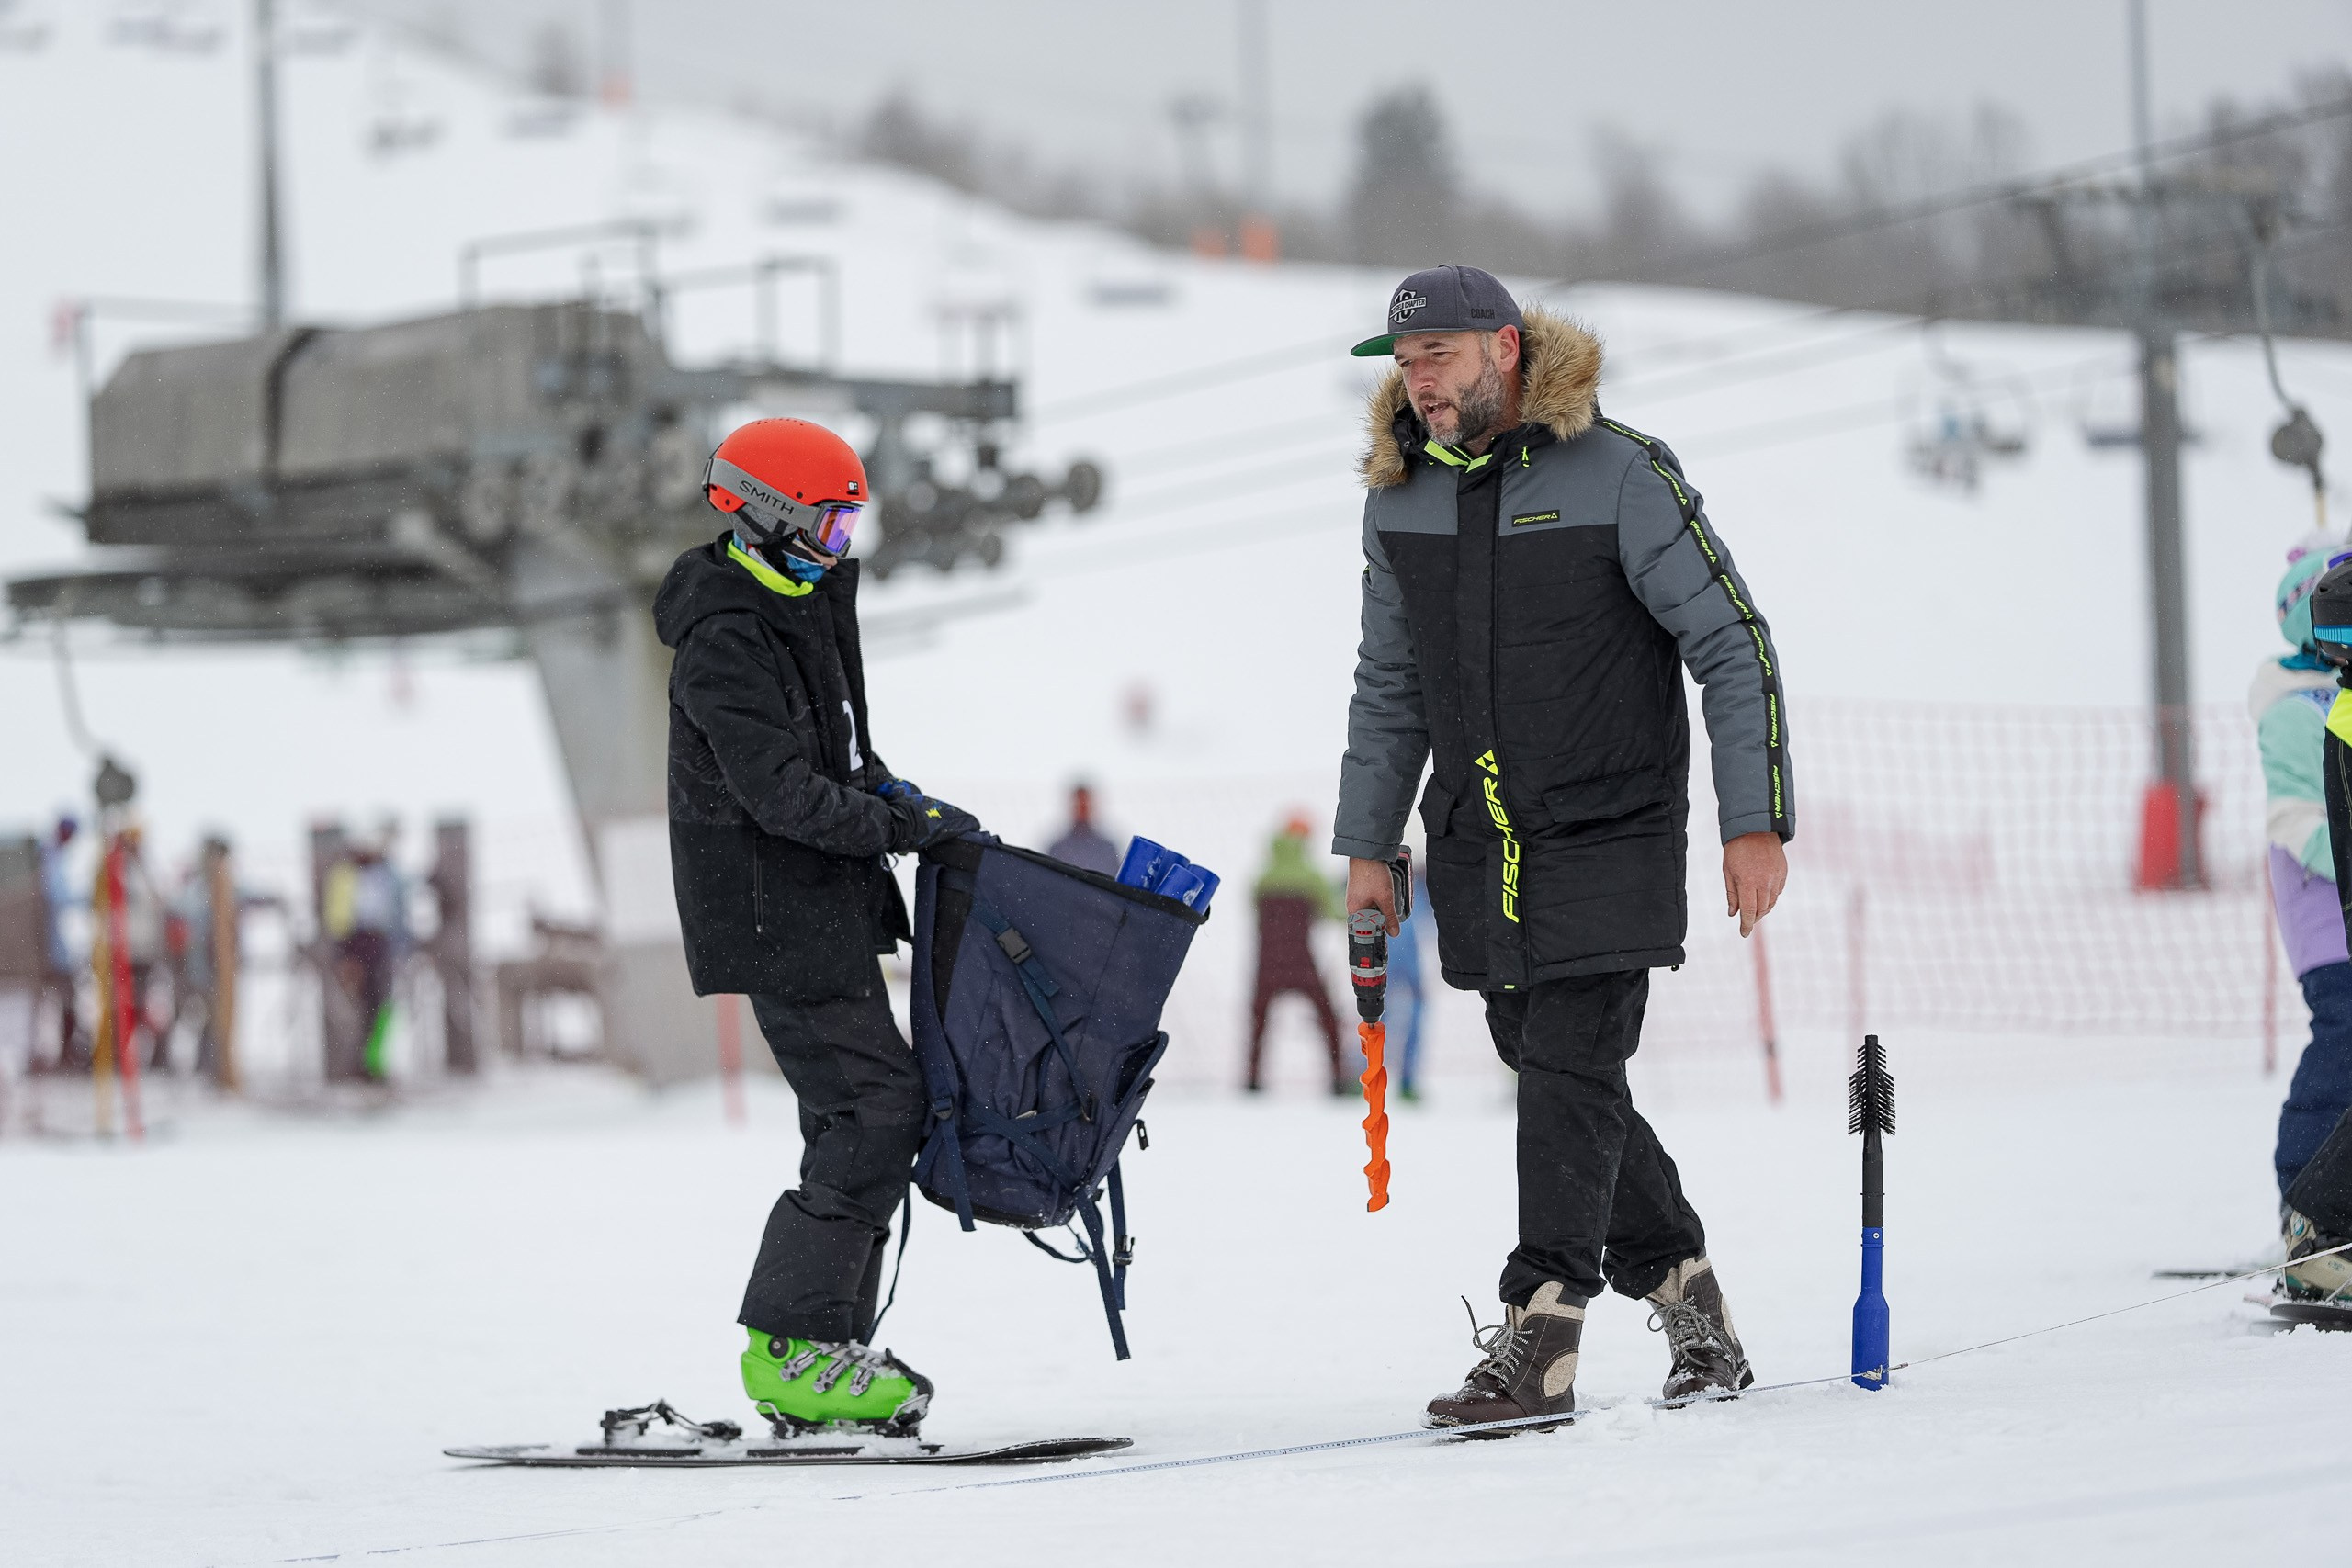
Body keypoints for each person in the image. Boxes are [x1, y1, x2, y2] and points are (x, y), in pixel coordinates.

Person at [1333, 265, 1793, 1429]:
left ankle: (1539, 1335)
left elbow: (1732, 643)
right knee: (1552, 1068)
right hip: (1479, 848)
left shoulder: (1621, 472)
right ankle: (1689, 1290)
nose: (1418, 380)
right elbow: (1389, 690)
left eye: (1438, 354)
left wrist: (1753, 817)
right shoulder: (1399, 500)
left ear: (1505, 348)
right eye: (1405, 361)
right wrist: (1367, 847)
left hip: (1611, 831)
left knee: (1570, 1069)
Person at [657, 416, 978, 1438]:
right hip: (767, 914)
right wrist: (893, 826)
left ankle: (822, 1344)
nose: (843, 545)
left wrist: (911, 805)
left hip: (818, 909)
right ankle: (792, 1347)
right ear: (769, 514)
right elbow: (783, 796)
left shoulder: (802, 603)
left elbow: (842, 762)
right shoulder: (725, 636)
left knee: (863, 1113)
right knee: (877, 1109)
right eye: (831, 524)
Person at [2254, 544, 2352, 1216]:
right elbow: (2295, 818)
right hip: (2327, 915)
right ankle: (2306, 1195)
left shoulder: (2337, 693)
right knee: (2343, 1035)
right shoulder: (2294, 706)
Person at [1244, 813, 1350, 1094]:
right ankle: (1339, 1076)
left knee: (1258, 1022)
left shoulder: (1262, 877)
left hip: (1266, 964)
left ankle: (1253, 1078)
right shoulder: (1313, 876)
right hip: (1303, 962)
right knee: (1328, 1018)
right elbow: (1335, 914)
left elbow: (1253, 912)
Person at [1390, 860, 1432, 1102]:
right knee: (1382, 1017)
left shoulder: (1418, 888)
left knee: (1378, 1017)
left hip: (1396, 962)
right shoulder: (1418, 889)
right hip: (1401, 962)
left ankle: (1405, 1079)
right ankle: (1403, 1079)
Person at [1046, 781, 1121, 875]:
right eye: (1078, 805)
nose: (1081, 810)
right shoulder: (1058, 849)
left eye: (1085, 805)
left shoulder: (1107, 849)